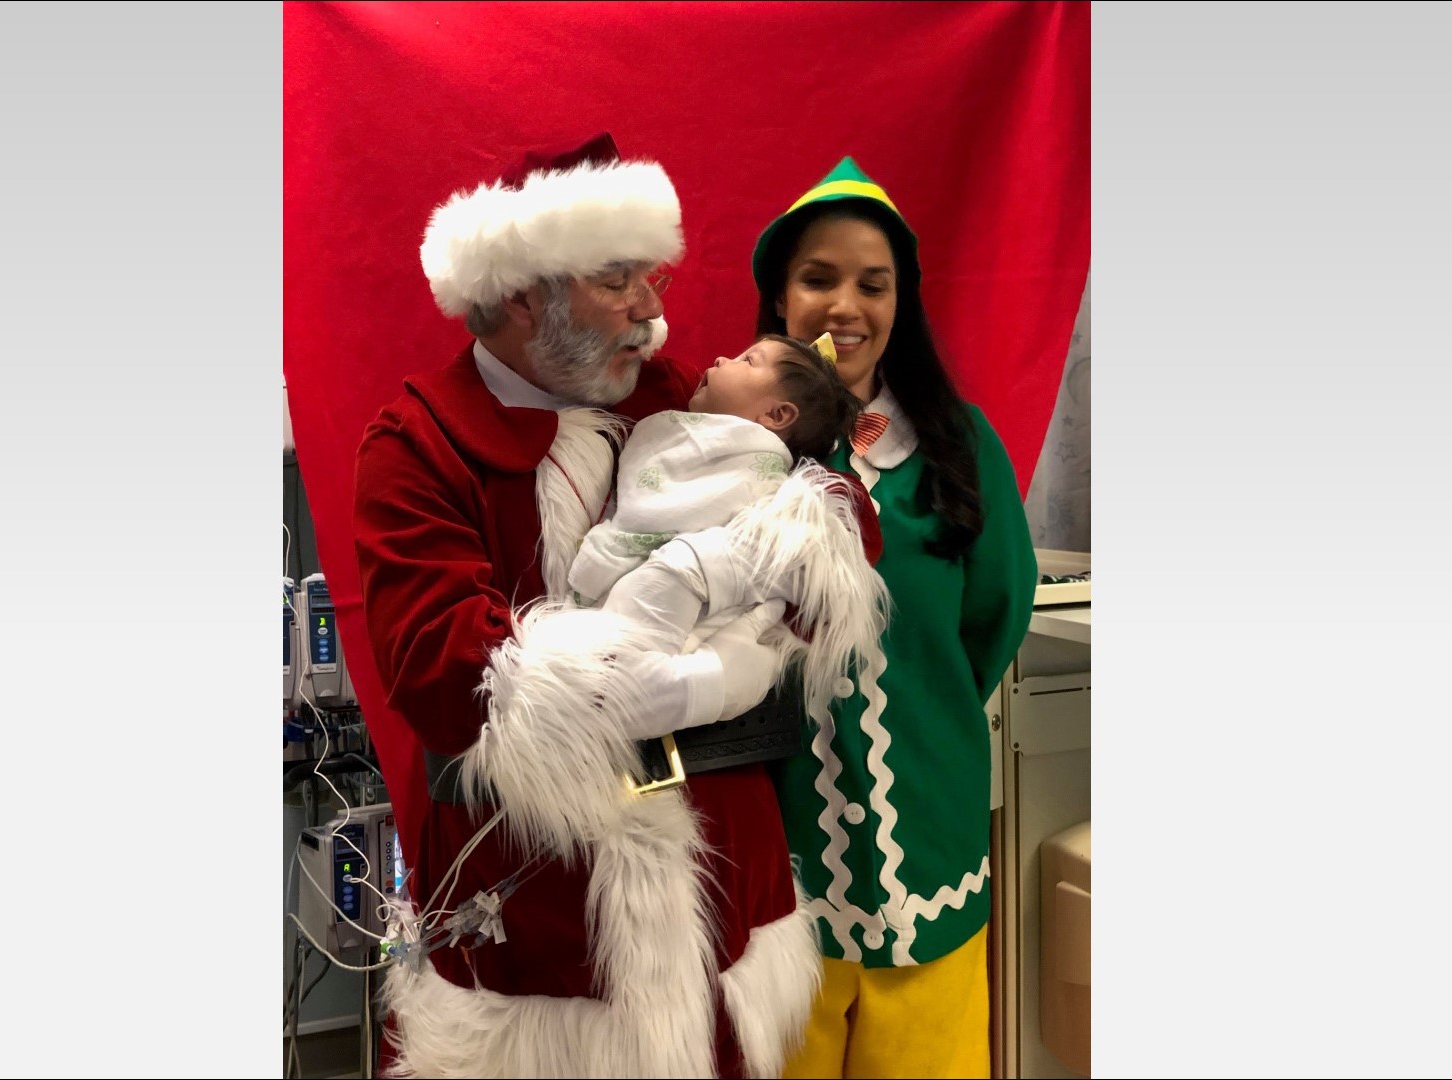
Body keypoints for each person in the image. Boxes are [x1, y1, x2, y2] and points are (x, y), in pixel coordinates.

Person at [350, 133, 877, 1079]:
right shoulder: (414, 445)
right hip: (540, 919)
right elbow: (450, 678)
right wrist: (716, 666)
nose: (651, 308)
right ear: (520, 294)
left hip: (722, 893)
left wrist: (735, 577)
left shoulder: (678, 398)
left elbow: (838, 528)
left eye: (652, 276)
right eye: (615, 278)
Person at [750, 157, 1040, 1078]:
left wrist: (924, 712)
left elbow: (994, 616)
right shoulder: (728, 451)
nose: (846, 307)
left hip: (933, 835)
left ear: (900, 302)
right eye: (818, 279)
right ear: (779, 297)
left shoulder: (959, 444)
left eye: (872, 285)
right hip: (782, 857)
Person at [565, 332, 889, 727]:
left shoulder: (760, 477)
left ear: (776, 416)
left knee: (614, 673)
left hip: (694, 622)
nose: (721, 358)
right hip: (625, 624)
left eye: (748, 361)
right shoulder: (681, 431)